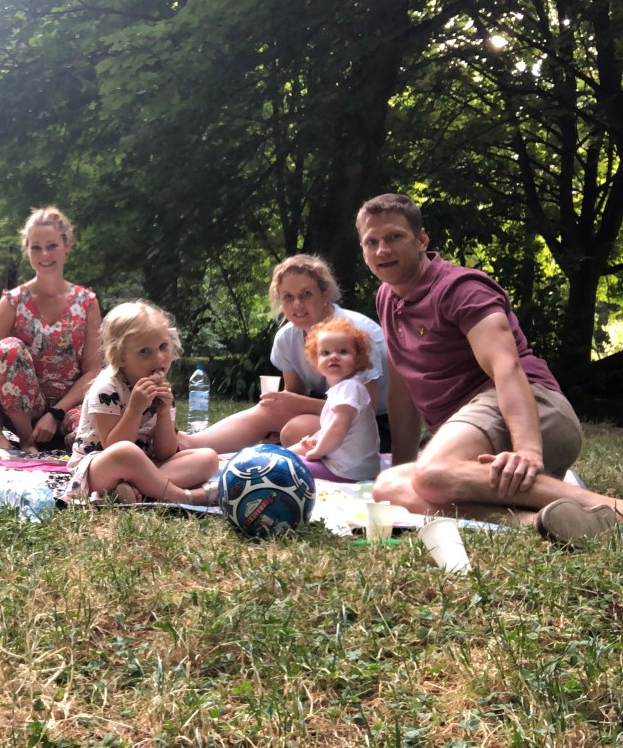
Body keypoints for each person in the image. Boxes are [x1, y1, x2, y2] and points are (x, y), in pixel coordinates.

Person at [357, 192, 621, 545]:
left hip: (533, 409)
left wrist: (527, 450)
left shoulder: (460, 289)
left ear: (421, 240)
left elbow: (506, 366)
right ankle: (539, 521)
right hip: (471, 439)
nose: (382, 250)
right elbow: (403, 387)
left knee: (433, 473)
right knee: (391, 487)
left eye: (394, 237)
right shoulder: (387, 298)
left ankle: (613, 508)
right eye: (371, 242)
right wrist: (404, 464)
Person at [183, 254, 390, 454]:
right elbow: (294, 395)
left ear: (325, 293)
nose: (297, 305)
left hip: (375, 425)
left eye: (306, 294)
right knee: (275, 412)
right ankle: (189, 444)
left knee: (293, 432)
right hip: (332, 413)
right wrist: (279, 414)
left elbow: (365, 410)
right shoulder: (287, 338)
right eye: (288, 297)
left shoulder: (356, 334)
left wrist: (297, 405)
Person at [64, 301, 220, 505]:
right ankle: (184, 497)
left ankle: (136, 490)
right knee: (126, 452)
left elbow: (165, 453)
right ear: (120, 357)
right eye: (145, 351)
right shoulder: (107, 388)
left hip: (145, 465)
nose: (159, 357)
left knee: (208, 458)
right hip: (99, 469)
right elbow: (114, 446)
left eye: (163, 346)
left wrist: (164, 413)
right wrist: (135, 409)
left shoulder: (161, 388)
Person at [0, 206, 102, 453]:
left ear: (66, 246)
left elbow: (93, 371)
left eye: (52, 245)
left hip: (69, 408)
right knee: (7, 349)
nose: (44, 254)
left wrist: (56, 413)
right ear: (27, 251)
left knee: (95, 444)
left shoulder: (86, 303)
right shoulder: (13, 302)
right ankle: (28, 442)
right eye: (36, 247)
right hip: (24, 411)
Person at [286, 317, 381, 482]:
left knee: (286, 468)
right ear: (315, 361)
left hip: (347, 472)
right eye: (325, 353)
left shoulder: (349, 389)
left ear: (358, 359)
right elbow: (330, 429)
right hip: (354, 467)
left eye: (343, 351)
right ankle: (279, 454)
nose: (334, 357)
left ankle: (276, 457)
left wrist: (317, 452)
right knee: (286, 457)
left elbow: (338, 428)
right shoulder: (344, 388)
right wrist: (314, 443)